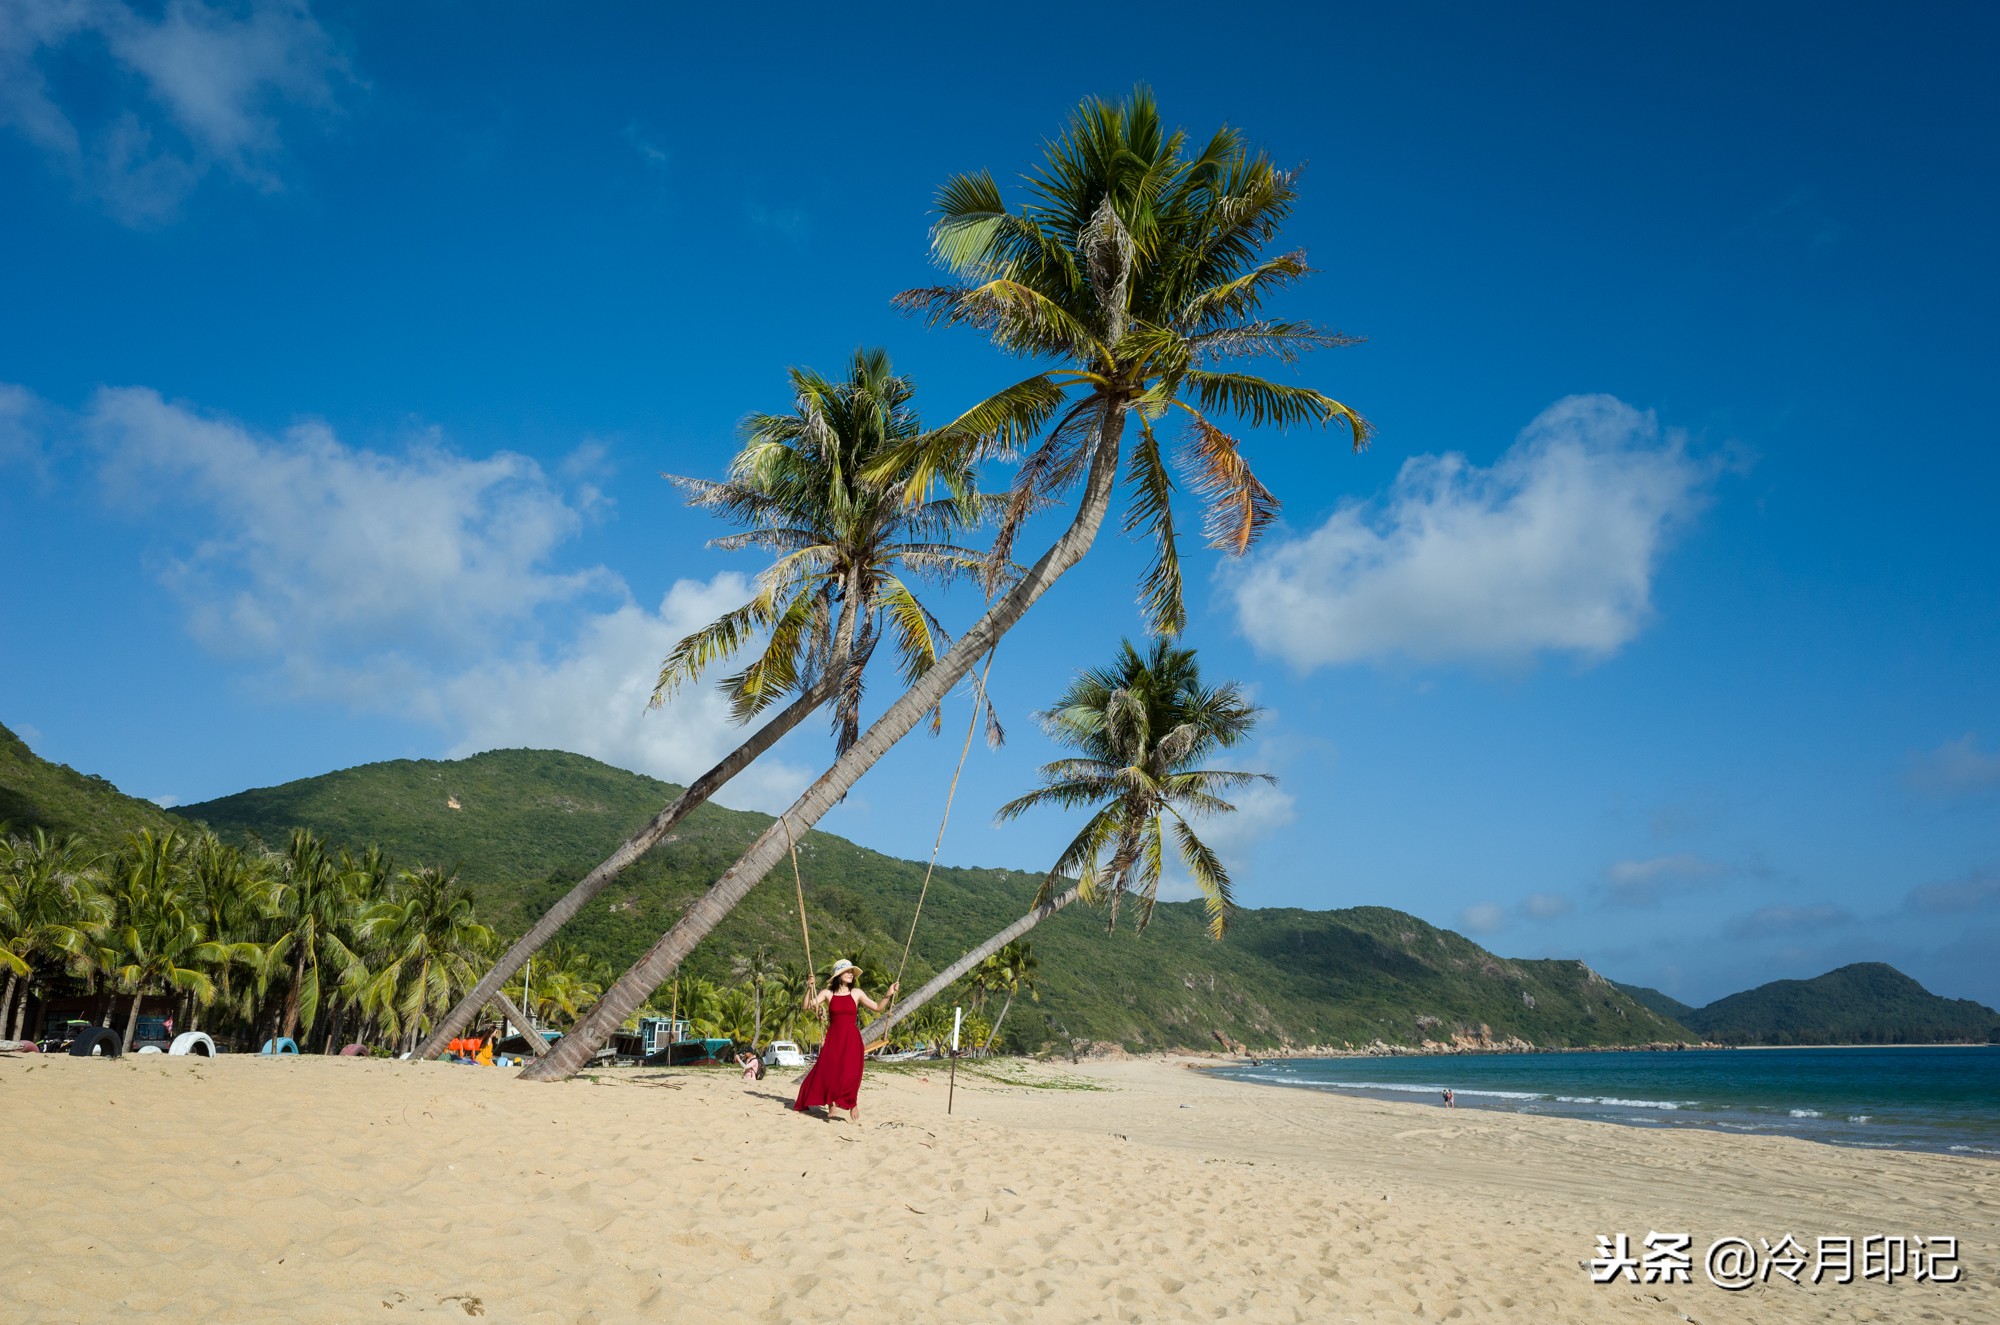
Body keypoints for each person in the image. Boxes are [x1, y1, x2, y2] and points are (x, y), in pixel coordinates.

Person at [792, 959, 897, 1124]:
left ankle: (852, 1102)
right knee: (829, 1071)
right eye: (847, 972)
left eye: (851, 972)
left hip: (852, 1039)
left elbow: (877, 1007)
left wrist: (888, 994)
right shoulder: (828, 993)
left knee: (851, 1073)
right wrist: (809, 987)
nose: (850, 974)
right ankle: (831, 1103)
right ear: (838, 975)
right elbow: (806, 1006)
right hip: (834, 1038)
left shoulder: (857, 993)